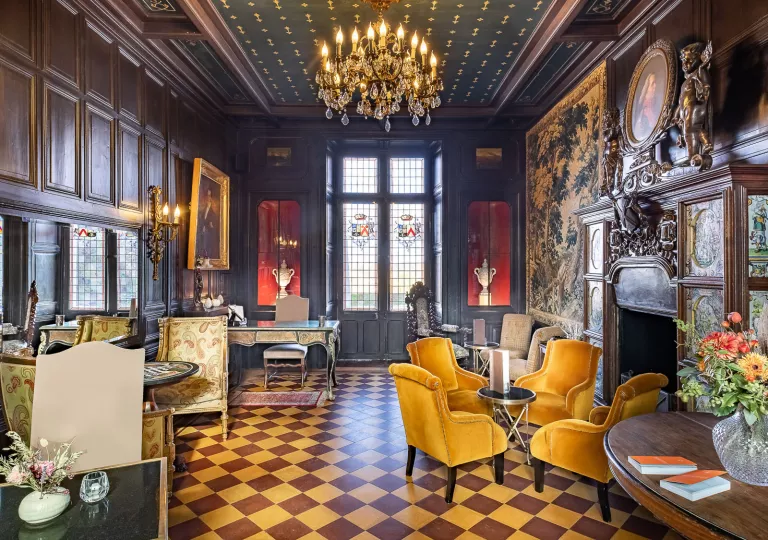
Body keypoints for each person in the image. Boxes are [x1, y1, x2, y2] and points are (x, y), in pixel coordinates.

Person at [635, 72, 659, 139]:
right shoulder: (642, 108)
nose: (655, 85)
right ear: (647, 87)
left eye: (655, 83)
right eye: (653, 83)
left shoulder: (656, 102)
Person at [197, 186, 218, 259]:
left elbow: (214, 225)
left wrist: (210, 225)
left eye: (209, 196)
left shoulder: (214, 212)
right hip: (202, 233)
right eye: (207, 196)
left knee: (207, 248)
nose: (208, 198)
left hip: (209, 234)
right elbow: (201, 219)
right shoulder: (202, 209)